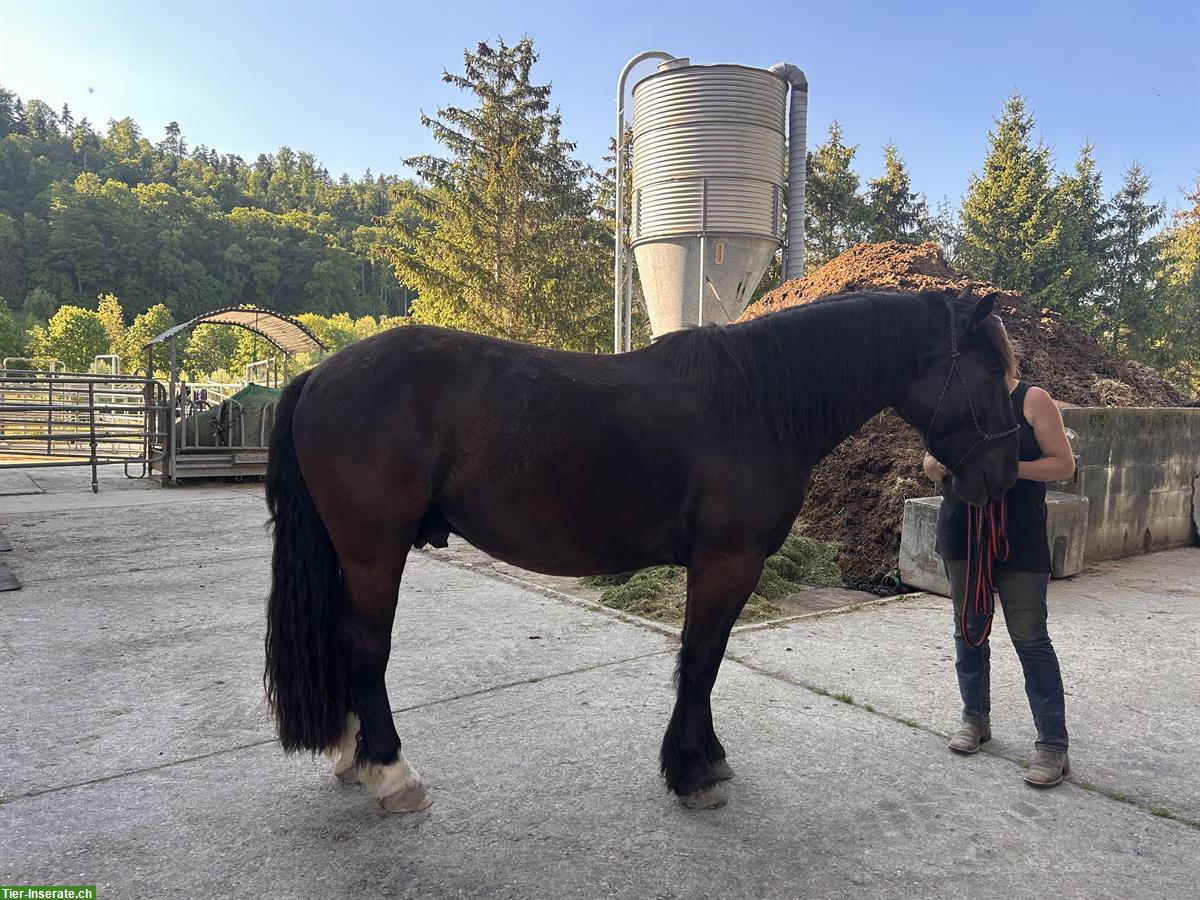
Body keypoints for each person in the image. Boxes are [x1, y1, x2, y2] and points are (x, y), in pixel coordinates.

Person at [923, 317, 1076, 788]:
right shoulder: (955, 403)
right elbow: (930, 467)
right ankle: (975, 719)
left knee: (1029, 637)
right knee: (969, 629)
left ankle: (1052, 746)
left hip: (1019, 536)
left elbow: (1063, 465)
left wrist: (1007, 467)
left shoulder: (1032, 400)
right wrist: (957, 458)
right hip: (963, 531)